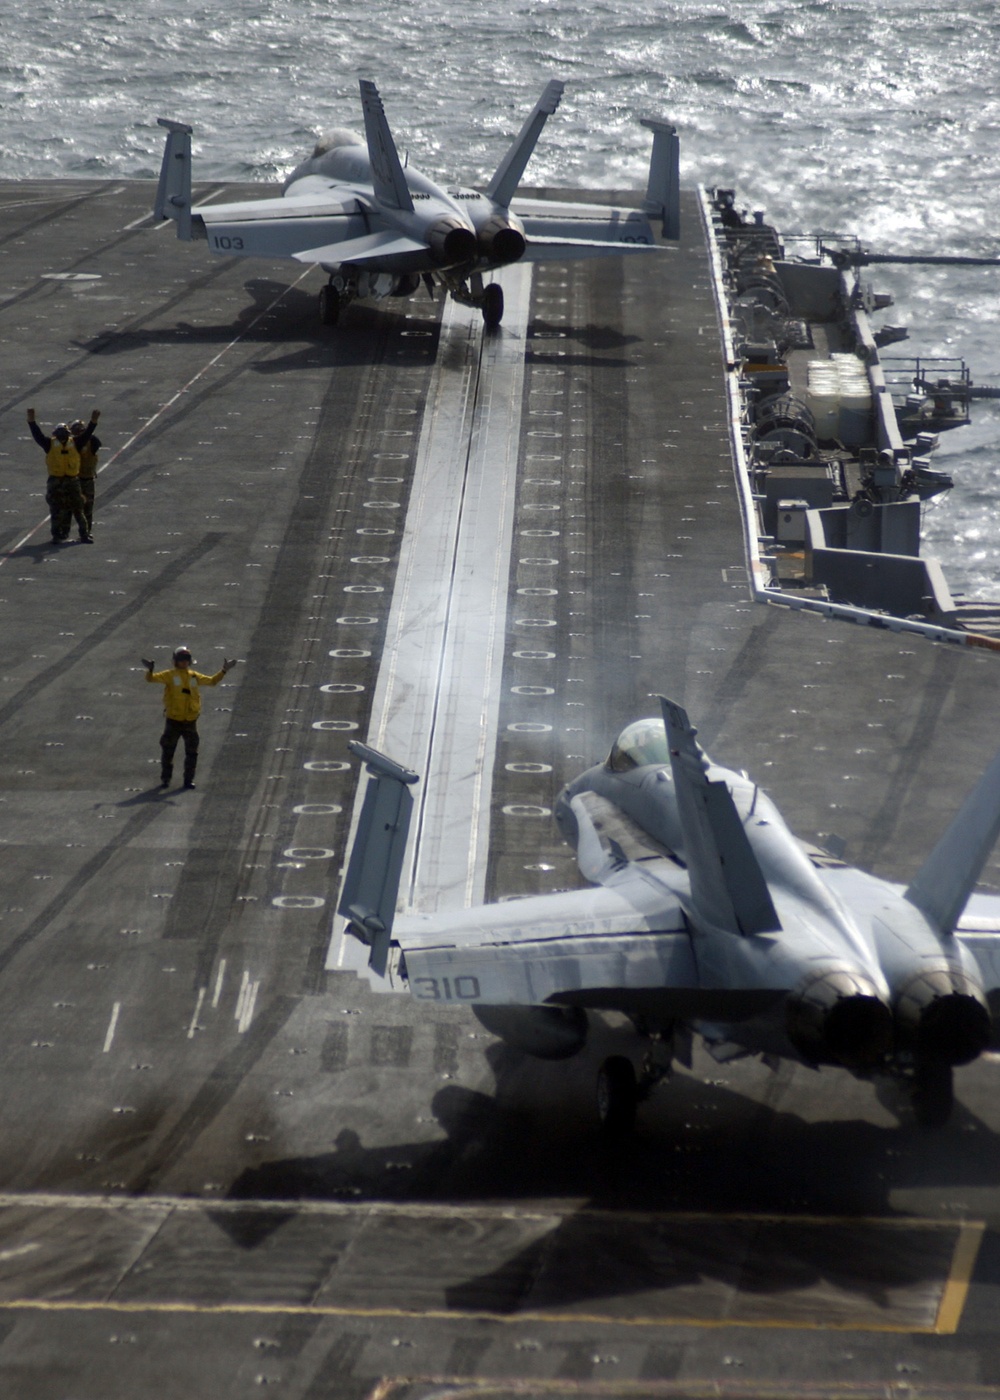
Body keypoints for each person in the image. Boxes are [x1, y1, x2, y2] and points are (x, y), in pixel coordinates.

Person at [141, 647, 238, 790]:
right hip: (173, 720)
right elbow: (151, 679)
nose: (184, 662)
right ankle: (166, 779)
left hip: (190, 721)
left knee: (192, 753)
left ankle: (188, 780)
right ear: (175, 661)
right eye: (181, 659)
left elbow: (212, 681)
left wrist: (224, 670)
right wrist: (150, 670)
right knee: (168, 750)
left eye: (186, 659)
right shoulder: (169, 675)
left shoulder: (194, 676)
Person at [27, 408, 99, 542]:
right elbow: (37, 435)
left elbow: (88, 434)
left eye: (64, 433)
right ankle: (57, 534)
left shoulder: (75, 443)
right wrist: (31, 422)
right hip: (56, 480)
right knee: (56, 508)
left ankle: (84, 534)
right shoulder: (49, 444)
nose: (62, 435)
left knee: (78, 508)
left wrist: (93, 422)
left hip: (72, 480)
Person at [69, 417, 102, 537]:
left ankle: (86, 531)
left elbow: (97, 443)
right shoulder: (71, 443)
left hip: (86, 478)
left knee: (87, 508)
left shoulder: (91, 441)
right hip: (75, 479)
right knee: (74, 508)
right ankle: (64, 531)